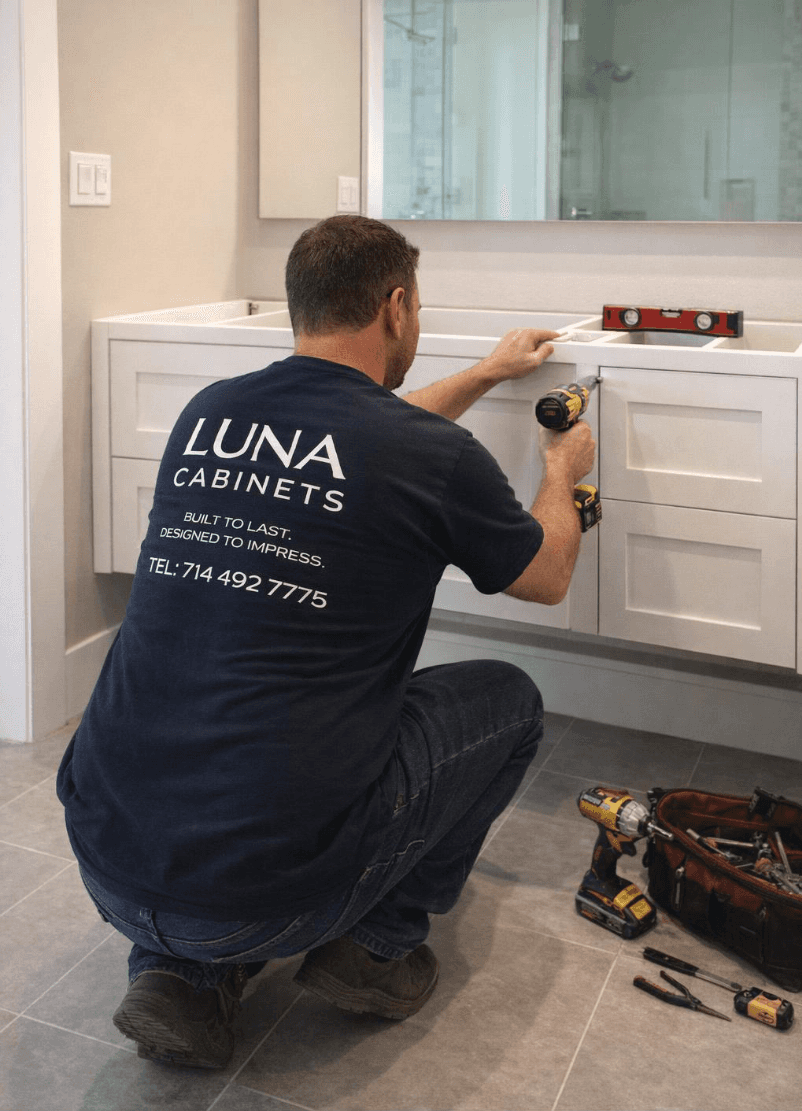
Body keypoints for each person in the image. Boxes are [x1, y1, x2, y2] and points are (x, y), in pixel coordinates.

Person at [56, 215, 595, 1069]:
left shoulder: (210, 411)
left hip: (104, 861)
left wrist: (488, 371)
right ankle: (372, 946)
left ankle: (180, 973)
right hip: (270, 899)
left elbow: (365, 442)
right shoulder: (433, 456)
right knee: (510, 701)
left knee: (225, 712)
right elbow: (547, 573)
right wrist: (562, 469)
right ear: (396, 306)